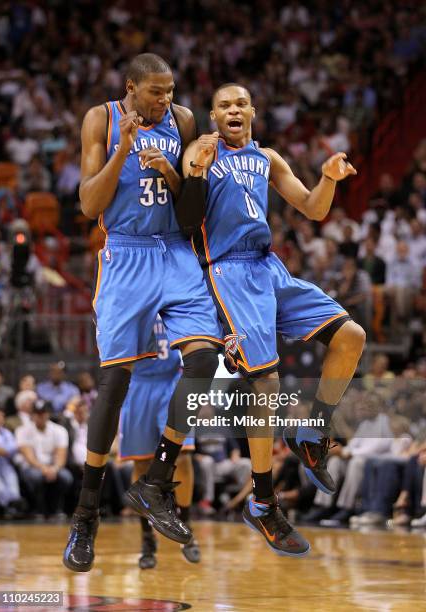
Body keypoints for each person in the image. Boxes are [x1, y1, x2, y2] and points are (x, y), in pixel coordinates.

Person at [149, 82, 365, 556]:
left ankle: (312, 433)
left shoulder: (267, 158)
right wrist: (196, 174)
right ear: (212, 116)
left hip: (269, 267)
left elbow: (313, 208)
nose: (233, 109)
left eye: (240, 103)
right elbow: (186, 221)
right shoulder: (199, 153)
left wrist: (328, 177)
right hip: (228, 270)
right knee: (264, 381)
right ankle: (263, 502)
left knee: (351, 335)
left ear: (253, 112)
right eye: (224, 104)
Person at [63, 53, 223, 572]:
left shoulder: (182, 122)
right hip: (127, 253)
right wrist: (123, 153)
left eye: (171, 90)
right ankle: (86, 516)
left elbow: (190, 210)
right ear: (131, 86)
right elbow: (90, 204)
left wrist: (179, 177)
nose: (166, 100)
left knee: (203, 359)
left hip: (174, 251)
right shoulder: (101, 119)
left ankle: (157, 481)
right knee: (114, 383)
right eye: (156, 91)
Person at [119, 317, 199, 569]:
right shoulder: (130, 293)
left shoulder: (174, 290)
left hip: (172, 382)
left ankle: (185, 529)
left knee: (184, 456)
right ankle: (147, 538)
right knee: (142, 464)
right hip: (138, 385)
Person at [15, 399, 73, 520]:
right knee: (36, 477)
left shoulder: (59, 430)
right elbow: (29, 456)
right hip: (32, 466)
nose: (40, 416)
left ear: (48, 414)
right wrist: (43, 468)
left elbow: (61, 456)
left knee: (66, 477)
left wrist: (54, 468)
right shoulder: (22, 430)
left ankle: (55, 509)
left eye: (43, 413)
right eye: (37, 413)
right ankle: (37, 509)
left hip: (53, 466)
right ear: (32, 415)